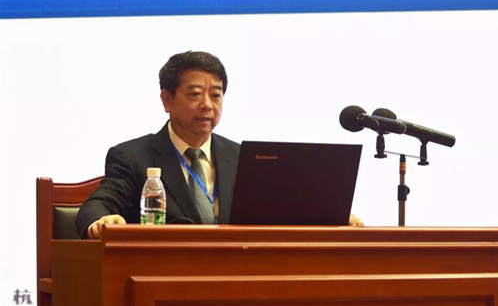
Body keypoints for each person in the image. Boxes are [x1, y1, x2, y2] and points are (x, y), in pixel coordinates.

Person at [77, 50, 363, 239]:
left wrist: (332, 217)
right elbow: (99, 203)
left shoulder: (242, 157)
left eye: (216, 95)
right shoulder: (133, 156)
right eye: (195, 94)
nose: (207, 105)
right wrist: (100, 222)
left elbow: (283, 210)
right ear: (167, 100)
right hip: (164, 277)